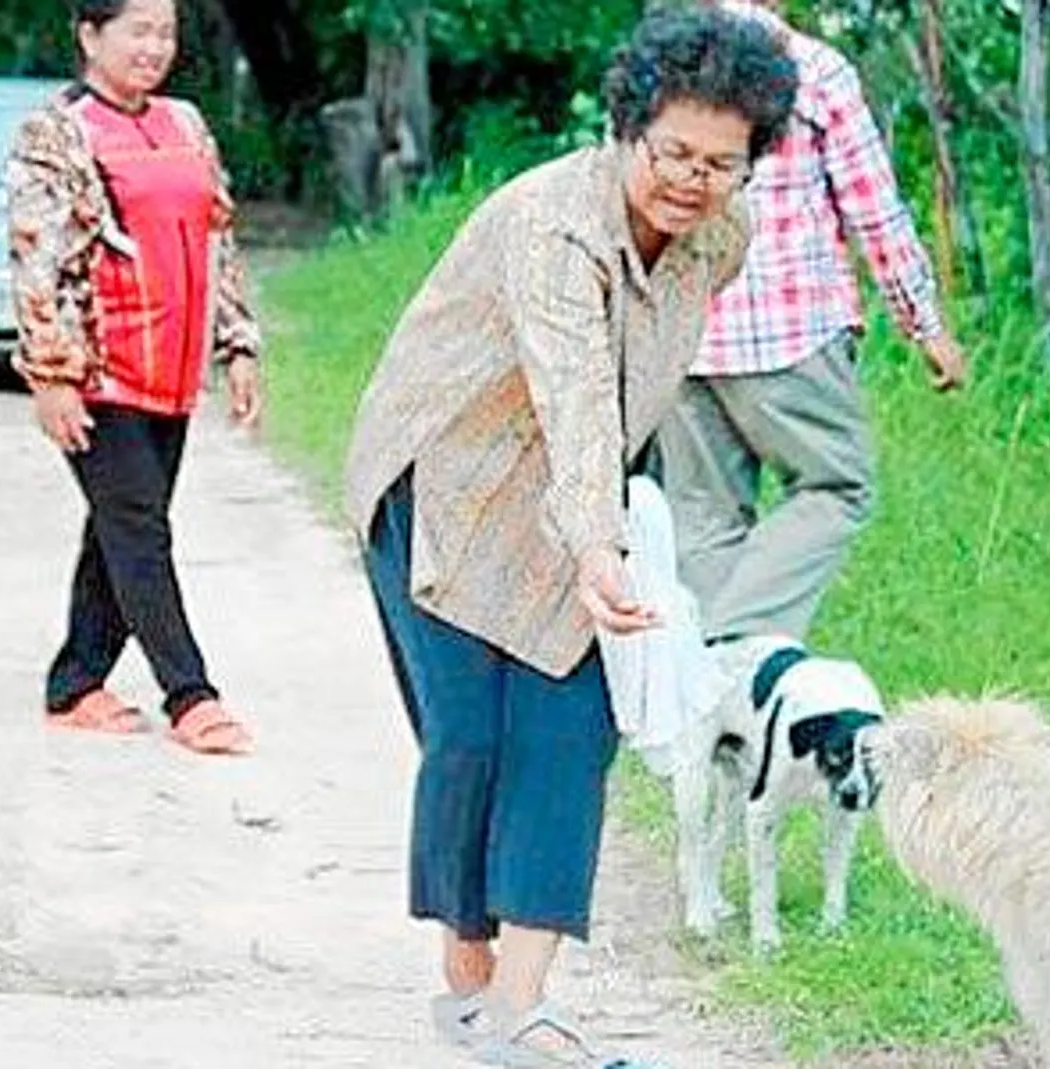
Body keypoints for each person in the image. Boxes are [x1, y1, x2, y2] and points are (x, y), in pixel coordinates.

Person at [341, 8, 796, 1065]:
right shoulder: (554, 223)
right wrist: (598, 543)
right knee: (471, 739)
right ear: (626, 128)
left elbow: (636, 371)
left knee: (568, 730)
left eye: (720, 163)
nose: (692, 180)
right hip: (444, 479)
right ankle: (466, 978)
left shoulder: (723, 232)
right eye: (673, 153)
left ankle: (518, 1007)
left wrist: (605, 536)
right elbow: (575, 386)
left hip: (577, 494)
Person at [660, 0, 969, 645]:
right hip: (788, 331)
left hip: (679, 334)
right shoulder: (815, 72)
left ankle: (714, 707)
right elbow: (874, 210)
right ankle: (733, 643)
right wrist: (925, 323)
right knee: (837, 483)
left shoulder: (665, 65)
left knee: (704, 521)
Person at [5, 0, 260, 756]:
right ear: (90, 35)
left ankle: (75, 682)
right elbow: (37, 257)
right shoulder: (56, 132)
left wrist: (237, 345)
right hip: (99, 372)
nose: (154, 48)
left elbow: (220, 236)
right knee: (140, 529)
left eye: (165, 33)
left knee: (118, 529)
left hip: (172, 371)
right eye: (137, 31)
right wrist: (51, 375)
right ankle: (191, 694)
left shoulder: (185, 123)